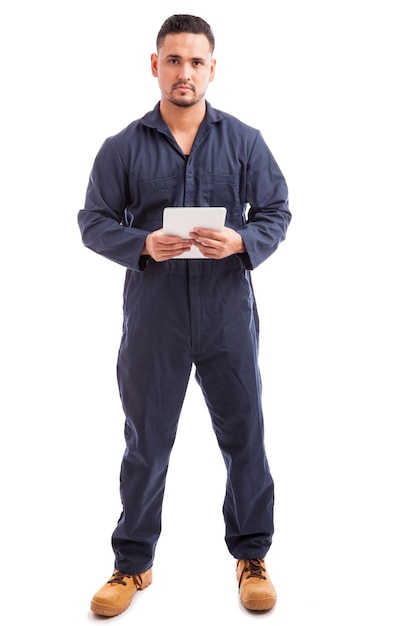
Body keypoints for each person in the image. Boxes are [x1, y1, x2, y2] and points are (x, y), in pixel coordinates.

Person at [78, 13, 291, 616]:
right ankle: (132, 566)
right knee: (146, 441)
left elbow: (276, 209)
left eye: (196, 61)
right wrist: (142, 243)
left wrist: (244, 242)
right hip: (155, 316)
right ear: (155, 66)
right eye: (174, 60)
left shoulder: (245, 141)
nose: (184, 72)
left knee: (244, 433)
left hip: (227, 311)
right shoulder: (121, 147)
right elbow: (92, 221)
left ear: (212, 69)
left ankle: (252, 556)